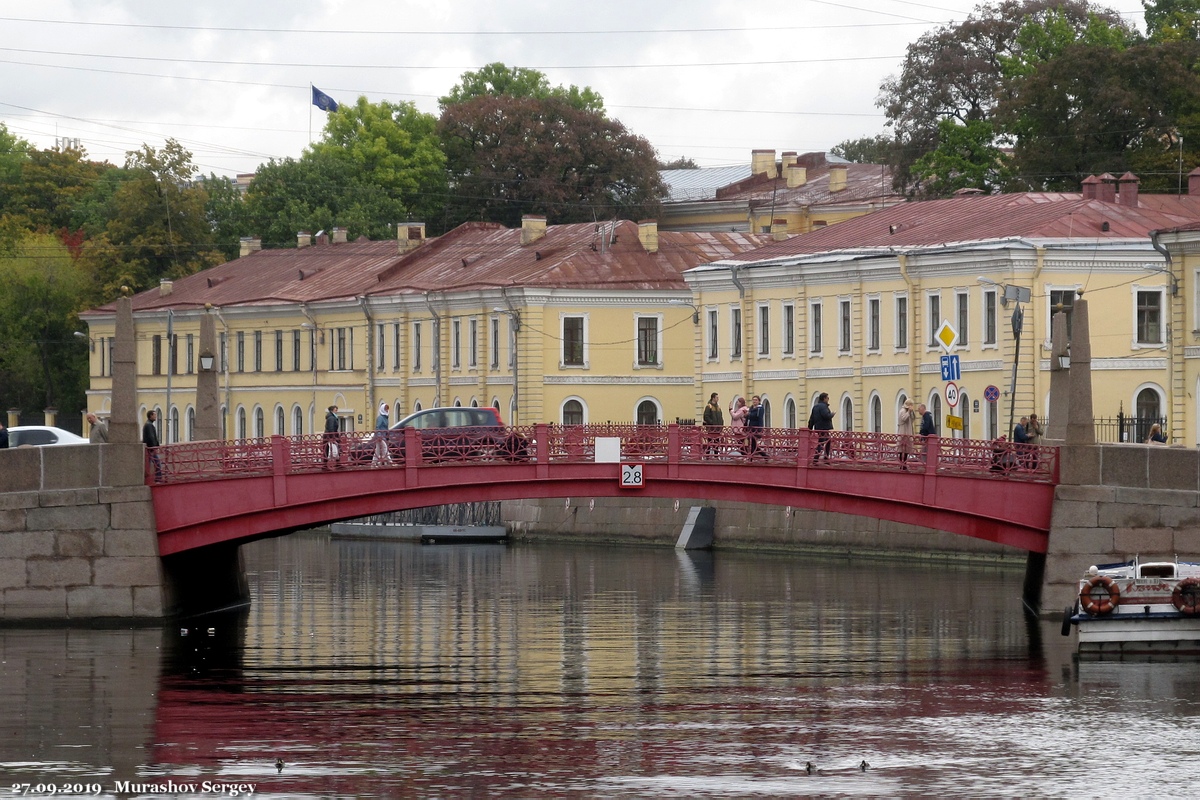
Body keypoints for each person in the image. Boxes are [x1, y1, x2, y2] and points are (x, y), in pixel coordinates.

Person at [808, 392, 834, 464]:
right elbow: (826, 416)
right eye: (827, 398)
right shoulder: (823, 407)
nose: (828, 399)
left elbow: (812, 419)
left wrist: (809, 428)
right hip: (824, 428)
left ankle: (823, 458)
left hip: (818, 428)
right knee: (822, 443)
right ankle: (817, 459)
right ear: (824, 398)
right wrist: (831, 415)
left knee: (826, 441)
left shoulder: (815, 407)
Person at [702, 392, 724, 458]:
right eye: (717, 397)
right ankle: (707, 455)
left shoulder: (718, 407)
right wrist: (712, 423)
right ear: (713, 398)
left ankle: (716, 455)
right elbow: (706, 416)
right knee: (710, 442)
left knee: (716, 442)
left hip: (717, 428)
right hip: (711, 428)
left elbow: (720, 416)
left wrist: (721, 423)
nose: (718, 399)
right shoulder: (709, 406)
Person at [142, 409, 162, 481]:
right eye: (155, 415)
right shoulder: (149, 425)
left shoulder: (148, 424)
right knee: (157, 463)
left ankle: (148, 478)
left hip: (149, 448)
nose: (156, 416)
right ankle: (158, 478)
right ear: (151, 416)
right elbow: (151, 437)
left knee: (149, 464)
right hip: (151, 449)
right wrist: (155, 447)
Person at [897, 399, 915, 470]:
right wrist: (909, 412)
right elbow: (904, 418)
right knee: (902, 449)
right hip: (903, 431)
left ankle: (904, 464)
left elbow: (913, 418)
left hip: (907, 431)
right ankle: (902, 464)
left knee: (907, 449)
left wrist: (911, 412)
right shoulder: (902, 411)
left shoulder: (908, 411)